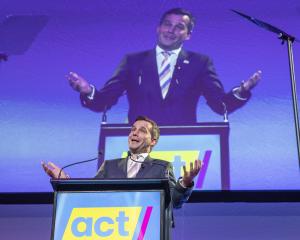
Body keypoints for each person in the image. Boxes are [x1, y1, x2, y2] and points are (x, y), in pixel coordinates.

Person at [67, 8, 261, 125]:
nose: (171, 30)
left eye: (179, 27)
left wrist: (242, 91)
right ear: (158, 28)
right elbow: (104, 101)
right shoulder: (133, 61)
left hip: (183, 148)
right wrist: (87, 90)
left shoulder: (200, 63)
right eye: (167, 24)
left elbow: (220, 106)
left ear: (188, 35)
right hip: (139, 148)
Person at [42, 115, 202, 238]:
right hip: (111, 230)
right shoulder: (109, 166)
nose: (134, 132)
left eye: (142, 130)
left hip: (147, 232)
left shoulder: (162, 167)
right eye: (133, 129)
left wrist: (185, 182)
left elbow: (174, 202)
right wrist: (65, 181)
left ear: (153, 141)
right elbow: (89, 197)